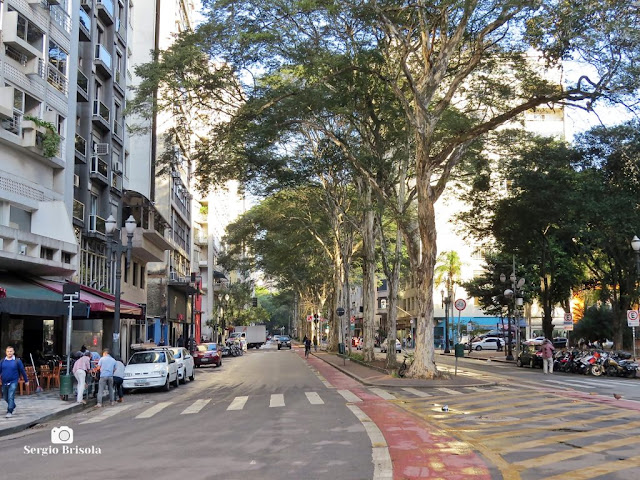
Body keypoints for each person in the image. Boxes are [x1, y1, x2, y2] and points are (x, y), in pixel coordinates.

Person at [0, 346, 29, 418]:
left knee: (10, 396)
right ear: (6, 352)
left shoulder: (17, 361)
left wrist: (26, 380)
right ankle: (13, 406)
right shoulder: (2, 361)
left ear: (13, 352)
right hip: (4, 381)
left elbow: (22, 371)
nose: (9, 353)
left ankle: (9, 411)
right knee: (5, 397)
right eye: (8, 351)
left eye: (11, 351)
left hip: (14, 381)